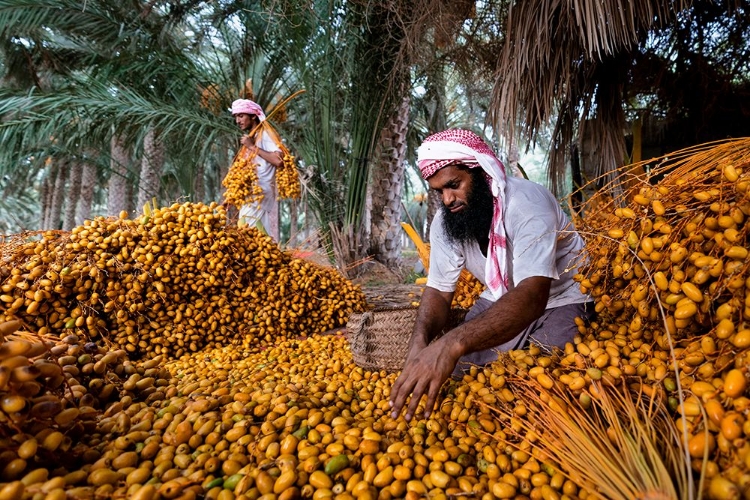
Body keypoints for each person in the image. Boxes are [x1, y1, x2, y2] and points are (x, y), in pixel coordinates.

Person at [389, 129, 591, 422]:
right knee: (456, 375)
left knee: (546, 382)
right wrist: (419, 343)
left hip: (561, 297)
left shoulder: (527, 203)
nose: (447, 199)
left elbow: (533, 297)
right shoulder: (447, 222)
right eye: (439, 192)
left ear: (481, 172)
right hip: (500, 298)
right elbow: (438, 292)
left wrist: (451, 343)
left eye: (454, 185)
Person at [226, 98, 284, 238]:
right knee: (254, 235)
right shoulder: (255, 137)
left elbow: (279, 161)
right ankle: (272, 257)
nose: (237, 121)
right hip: (251, 194)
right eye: (236, 117)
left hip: (259, 194)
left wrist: (252, 147)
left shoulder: (265, 135)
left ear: (253, 116)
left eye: (241, 116)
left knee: (249, 234)